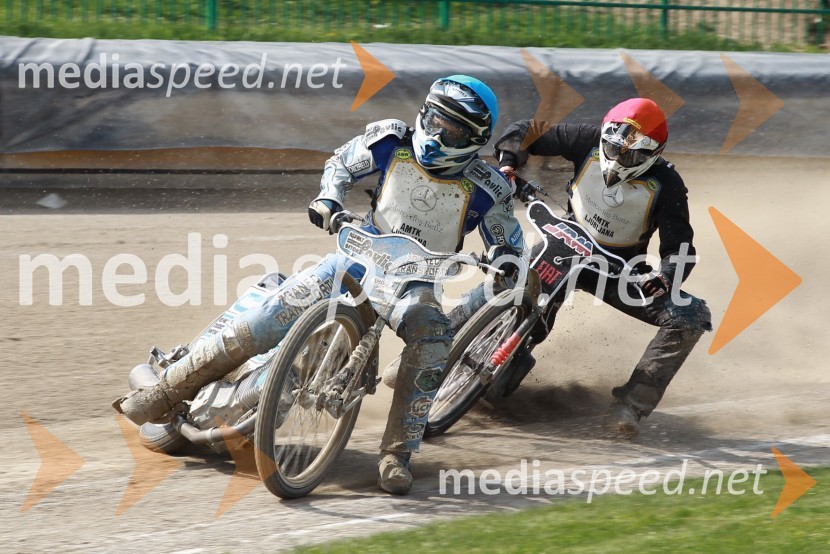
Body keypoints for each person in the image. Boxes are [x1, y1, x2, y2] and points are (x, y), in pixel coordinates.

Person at [113, 75, 524, 495]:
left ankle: (396, 454)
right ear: (424, 112)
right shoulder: (391, 141)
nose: (436, 134)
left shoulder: (489, 188)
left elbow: (510, 243)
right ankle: (164, 392)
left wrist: (506, 264)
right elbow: (341, 164)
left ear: (474, 138)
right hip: (356, 258)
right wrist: (329, 199)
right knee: (270, 314)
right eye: (434, 119)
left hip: (414, 285)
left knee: (433, 340)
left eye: (451, 129)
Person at [485, 98, 711, 438]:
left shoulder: (668, 184)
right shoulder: (584, 137)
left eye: (631, 155)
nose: (618, 159)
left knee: (691, 316)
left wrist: (665, 276)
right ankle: (444, 346)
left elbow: (680, 247)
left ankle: (630, 407)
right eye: (613, 147)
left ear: (653, 154)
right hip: (562, 246)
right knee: (511, 283)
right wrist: (508, 163)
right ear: (604, 134)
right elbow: (523, 131)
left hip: (617, 271)